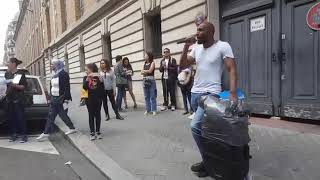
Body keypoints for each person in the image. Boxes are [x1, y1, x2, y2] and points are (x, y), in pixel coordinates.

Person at [179, 22, 238, 177]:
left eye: (200, 30)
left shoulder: (223, 46)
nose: (196, 33)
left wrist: (232, 93)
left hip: (211, 94)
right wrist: (186, 47)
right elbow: (183, 65)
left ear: (210, 32)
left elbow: (232, 68)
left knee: (195, 126)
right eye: (196, 30)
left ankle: (209, 162)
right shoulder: (196, 48)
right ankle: (212, 160)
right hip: (195, 94)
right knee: (207, 131)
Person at [37, 58, 77, 141]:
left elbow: (67, 87)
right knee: (56, 115)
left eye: (52, 64)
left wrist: (66, 99)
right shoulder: (53, 74)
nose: (51, 66)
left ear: (57, 65)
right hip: (54, 97)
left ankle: (46, 133)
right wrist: (50, 97)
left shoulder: (63, 74)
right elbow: (52, 86)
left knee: (55, 115)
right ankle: (71, 128)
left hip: (60, 98)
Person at [5, 58, 28, 143]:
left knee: (20, 118)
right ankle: (14, 134)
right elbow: (6, 87)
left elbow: (23, 87)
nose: (8, 64)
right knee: (11, 118)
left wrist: (14, 86)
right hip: (9, 99)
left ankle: (24, 136)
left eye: (9, 63)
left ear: (14, 64)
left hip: (18, 99)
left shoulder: (20, 74)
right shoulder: (7, 74)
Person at [83, 63, 105, 140]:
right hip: (89, 100)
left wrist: (101, 80)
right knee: (91, 115)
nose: (86, 71)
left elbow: (102, 88)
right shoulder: (86, 77)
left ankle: (98, 131)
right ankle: (92, 132)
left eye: (87, 69)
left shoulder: (98, 76)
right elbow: (84, 88)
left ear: (91, 69)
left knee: (98, 115)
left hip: (98, 99)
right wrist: (87, 79)